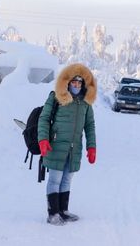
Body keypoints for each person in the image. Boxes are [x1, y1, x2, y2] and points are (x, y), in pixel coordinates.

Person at [37, 63, 97, 226]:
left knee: (67, 179)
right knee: (55, 179)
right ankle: (53, 214)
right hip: (56, 145)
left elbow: (89, 125)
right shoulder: (56, 97)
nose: (76, 85)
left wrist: (91, 147)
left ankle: (63, 211)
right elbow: (44, 118)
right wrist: (43, 139)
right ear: (68, 83)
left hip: (74, 148)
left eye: (79, 83)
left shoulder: (85, 103)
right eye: (73, 82)